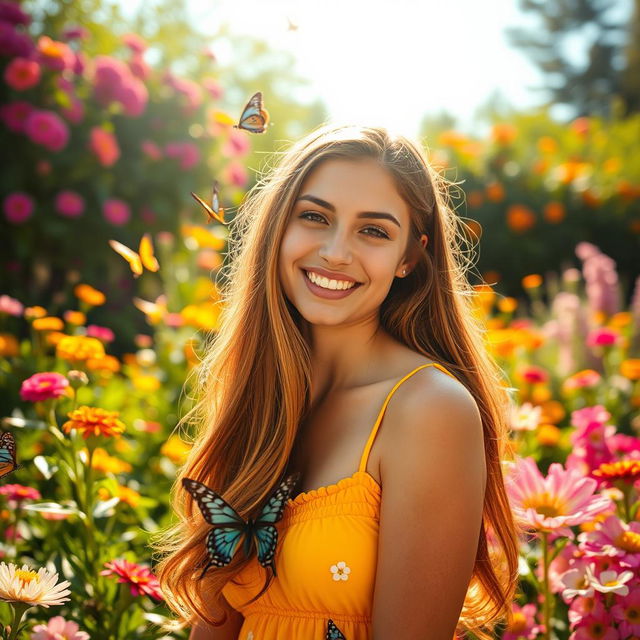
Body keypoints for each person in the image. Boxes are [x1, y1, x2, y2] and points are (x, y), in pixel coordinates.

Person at [151, 123, 522, 640]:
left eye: (373, 230)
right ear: (278, 227)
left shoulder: (428, 410)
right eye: (314, 217)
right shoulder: (261, 401)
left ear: (409, 258)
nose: (335, 252)